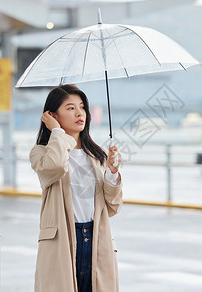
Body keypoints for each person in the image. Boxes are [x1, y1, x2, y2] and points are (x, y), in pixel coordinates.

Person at [29, 84, 123, 292]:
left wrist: (112, 173)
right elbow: (55, 166)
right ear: (52, 115)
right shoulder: (41, 153)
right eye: (70, 108)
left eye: (82, 107)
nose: (80, 113)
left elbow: (112, 207)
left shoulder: (97, 155)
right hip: (63, 238)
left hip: (96, 237)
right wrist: (57, 132)